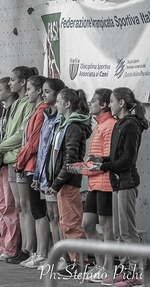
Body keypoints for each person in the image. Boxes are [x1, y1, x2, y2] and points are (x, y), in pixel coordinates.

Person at [88, 87, 148, 287]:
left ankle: (136, 274)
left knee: (128, 232)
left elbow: (127, 160)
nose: (110, 105)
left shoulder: (130, 125)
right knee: (120, 232)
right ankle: (125, 270)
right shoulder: (122, 124)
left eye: (112, 101)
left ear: (121, 103)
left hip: (126, 182)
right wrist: (102, 159)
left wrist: (104, 165)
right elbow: (117, 157)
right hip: (118, 182)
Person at [66, 88, 116, 282]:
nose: (89, 104)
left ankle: (108, 268)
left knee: (107, 227)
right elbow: (94, 160)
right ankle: (102, 265)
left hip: (106, 184)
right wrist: (80, 167)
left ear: (103, 105)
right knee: (87, 224)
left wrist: (81, 169)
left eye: (93, 101)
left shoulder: (110, 125)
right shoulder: (98, 125)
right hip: (95, 184)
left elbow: (105, 161)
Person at [45, 88, 91, 276]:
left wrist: (56, 183)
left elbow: (70, 160)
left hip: (68, 182)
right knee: (65, 222)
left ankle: (81, 263)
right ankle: (74, 260)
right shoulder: (66, 124)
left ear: (67, 104)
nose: (55, 104)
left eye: (58, 100)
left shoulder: (73, 126)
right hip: (63, 181)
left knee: (71, 222)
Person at [0, 66, 37, 264]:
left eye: (12, 80)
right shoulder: (17, 103)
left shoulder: (28, 104)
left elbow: (21, 133)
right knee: (19, 205)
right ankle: (24, 247)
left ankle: (30, 248)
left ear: (23, 82)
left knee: (26, 205)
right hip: (11, 159)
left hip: (18, 158)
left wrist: (0, 148)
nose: (9, 83)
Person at [32, 78, 67, 270]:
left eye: (46, 91)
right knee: (51, 215)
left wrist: (51, 176)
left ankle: (64, 257)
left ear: (57, 94)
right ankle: (55, 255)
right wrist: (38, 176)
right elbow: (42, 150)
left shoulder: (62, 119)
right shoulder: (47, 116)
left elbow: (57, 153)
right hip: (45, 175)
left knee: (60, 216)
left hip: (56, 176)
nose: (43, 95)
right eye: (42, 91)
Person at [15, 75, 50, 268]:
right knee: (36, 210)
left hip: (34, 166)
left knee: (39, 211)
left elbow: (34, 142)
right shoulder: (35, 110)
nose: (26, 92)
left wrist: (20, 162)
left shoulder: (42, 110)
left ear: (38, 91)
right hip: (29, 166)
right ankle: (38, 251)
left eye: (29, 89)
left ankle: (42, 252)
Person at [0, 77, 20, 261]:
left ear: (9, 90)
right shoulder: (1, 112)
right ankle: (2, 246)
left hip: (7, 163)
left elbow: (12, 137)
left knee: (9, 207)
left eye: (0, 89)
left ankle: (11, 247)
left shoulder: (14, 110)